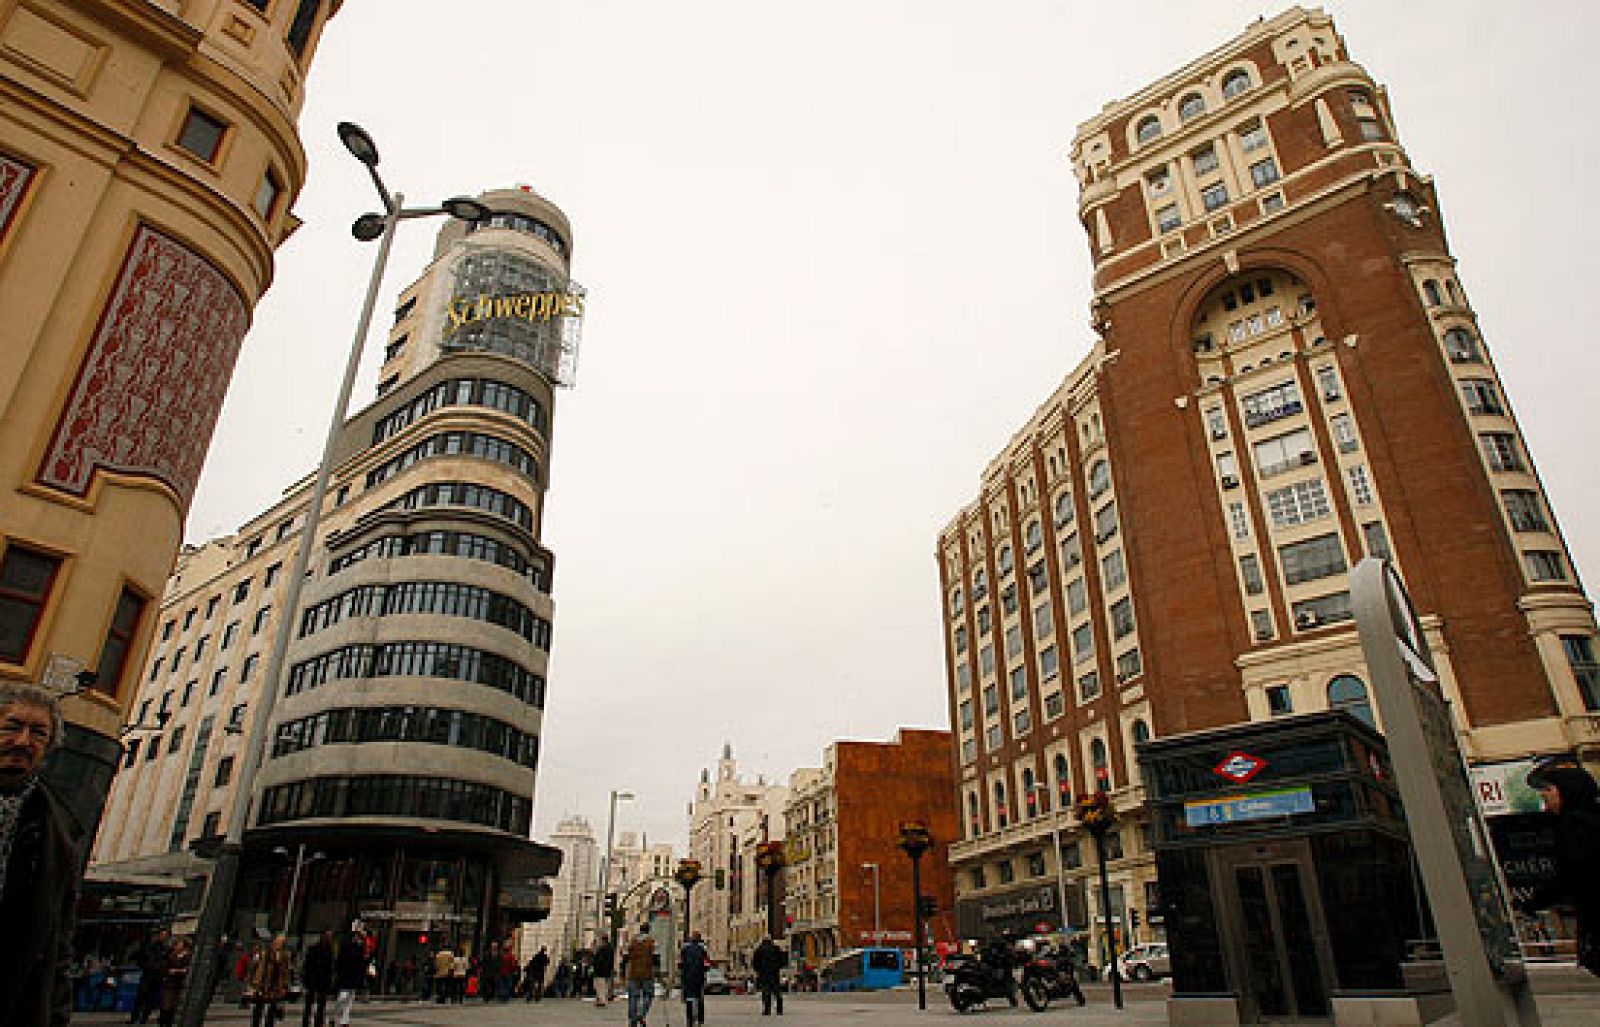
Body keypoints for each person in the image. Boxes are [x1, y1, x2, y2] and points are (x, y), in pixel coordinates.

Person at [0, 684, 86, 1027]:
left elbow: (58, 943)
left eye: (38, 733)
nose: (23, 742)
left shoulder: (58, 831)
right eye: (11, 726)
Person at [1520, 758, 1600, 975]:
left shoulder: (1573, 826)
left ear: (1566, 791)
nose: (1544, 796)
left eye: (1549, 790)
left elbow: (1572, 873)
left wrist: (1533, 902)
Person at [249, 934, 293, 1027]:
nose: (280, 944)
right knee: (258, 1008)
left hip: (276, 985)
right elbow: (260, 969)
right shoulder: (266, 953)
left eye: (282, 942)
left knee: (272, 1008)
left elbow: (286, 971)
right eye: (279, 942)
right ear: (274, 942)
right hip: (264, 983)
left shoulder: (285, 955)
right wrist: (256, 984)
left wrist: (285, 986)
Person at [129, 928, 172, 1024]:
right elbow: (138, 956)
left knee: (150, 999)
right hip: (148, 975)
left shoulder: (166, 950)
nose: (163, 937)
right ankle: (134, 1018)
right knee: (141, 997)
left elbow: (166, 962)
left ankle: (143, 1018)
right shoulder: (150, 947)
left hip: (157, 977)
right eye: (162, 935)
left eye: (165, 935)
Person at [332, 929, 367, 1026]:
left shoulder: (360, 949)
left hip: (354, 978)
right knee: (342, 998)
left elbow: (362, 965)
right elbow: (339, 961)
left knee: (349, 1000)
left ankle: (344, 1021)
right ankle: (334, 1016)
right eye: (355, 936)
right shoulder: (345, 947)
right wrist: (338, 973)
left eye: (358, 937)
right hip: (345, 976)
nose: (357, 939)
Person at [301, 932, 335, 1027]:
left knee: (321, 1004)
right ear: (322, 937)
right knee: (309, 1003)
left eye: (330, 937)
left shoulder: (330, 950)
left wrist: (330, 980)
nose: (329, 939)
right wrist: (306, 978)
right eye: (327, 937)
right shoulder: (313, 949)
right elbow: (307, 965)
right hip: (313, 979)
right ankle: (306, 1021)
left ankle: (318, 1022)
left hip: (323, 980)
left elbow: (330, 967)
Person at [624, 927, 656, 1027]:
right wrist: (658, 971)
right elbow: (656, 957)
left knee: (633, 997)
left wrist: (623, 971)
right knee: (648, 995)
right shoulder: (652, 942)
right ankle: (641, 1013)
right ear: (648, 931)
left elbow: (626, 957)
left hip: (633, 973)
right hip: (647, 973)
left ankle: (633, 1019)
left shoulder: (632, 942)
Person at [156, 937, 192, 1027]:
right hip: (170, 983)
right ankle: (163, 1021)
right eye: (178, 944)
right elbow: (164, 968)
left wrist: (177, 971)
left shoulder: (187, 956)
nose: (180, 946)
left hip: (179, 984)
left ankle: (168, 1022)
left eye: (181, 944)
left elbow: (187, 969)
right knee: (167, 1005)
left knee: (173, 1005)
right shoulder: (170, 956)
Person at [679, 931, 709, 1026]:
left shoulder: (685, 949)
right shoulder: (702, 950)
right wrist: (704, 970)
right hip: (699, 977)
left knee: (689, 998)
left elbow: (681, 964)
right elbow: (707, 964)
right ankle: (700, 1019)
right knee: (699, 997)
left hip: (687, 977)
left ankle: (689, 1020)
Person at [751, 935, 785, 1016]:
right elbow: (782, 960)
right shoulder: (776, 948)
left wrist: (758, 971)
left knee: (766, 991)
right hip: (774, 973)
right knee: (777, 991)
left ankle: (767, 1010)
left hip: (763, 974)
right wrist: (778, 968)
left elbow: (755, 962)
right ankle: (779, 1010)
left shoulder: (759, 949)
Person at [592, 935, 616, 1006]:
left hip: (600, 970)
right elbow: (612, 960)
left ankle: (602, 1000)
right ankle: (602, 999)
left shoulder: (602, 949)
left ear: (603, 940)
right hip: (607, 970)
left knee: (600, 986)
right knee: (604, 985)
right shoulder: (610, 949)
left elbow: (598, 960)